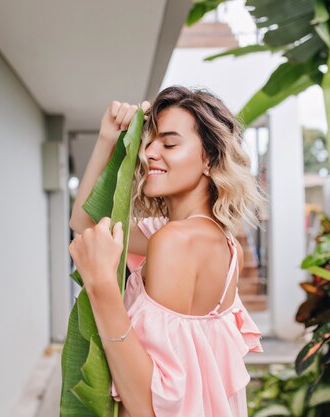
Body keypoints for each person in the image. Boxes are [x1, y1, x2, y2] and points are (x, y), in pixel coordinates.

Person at [68, 86, 265, 417]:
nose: (149, 153)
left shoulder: (175, 241)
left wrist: (102, 287)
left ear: (209, 159)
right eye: (149, 142)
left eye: (170, 143)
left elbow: (150, 405)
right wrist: (108, 140)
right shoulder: (222, 242)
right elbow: (86, 224)